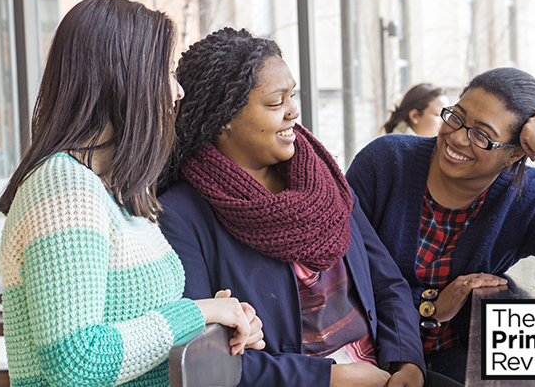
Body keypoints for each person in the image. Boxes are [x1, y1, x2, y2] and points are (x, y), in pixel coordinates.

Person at [0, 0, 263, 386]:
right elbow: (78, 361)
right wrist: (197, 313)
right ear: (125, 79)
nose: (178, 91)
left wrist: (220, 320)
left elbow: (143, 334)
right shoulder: (63, 187)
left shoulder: (117, 193)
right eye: (167, 72)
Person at [157, 27, 427, 387]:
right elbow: (209, 359)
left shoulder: (325, 178)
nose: (293, 111)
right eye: (275, 102)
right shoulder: (180, 215)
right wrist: (330, 379)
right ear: (223, 118)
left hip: (382, 371)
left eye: (292, 96)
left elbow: (387, 282)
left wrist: (407, 359)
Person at [346, 67, 535, 383]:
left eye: (481, 135)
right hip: (368, 358)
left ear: (514, 154)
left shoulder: (525, 196)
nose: (458, 137)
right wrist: (429, 306)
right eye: (455, 117)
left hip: (459, 359)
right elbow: (339, 274)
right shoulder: (385, 162)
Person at [383, 83, 448, 137]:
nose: (444, 121)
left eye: (446, 114)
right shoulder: (395, 148)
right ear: (414, 116)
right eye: (438, 114)